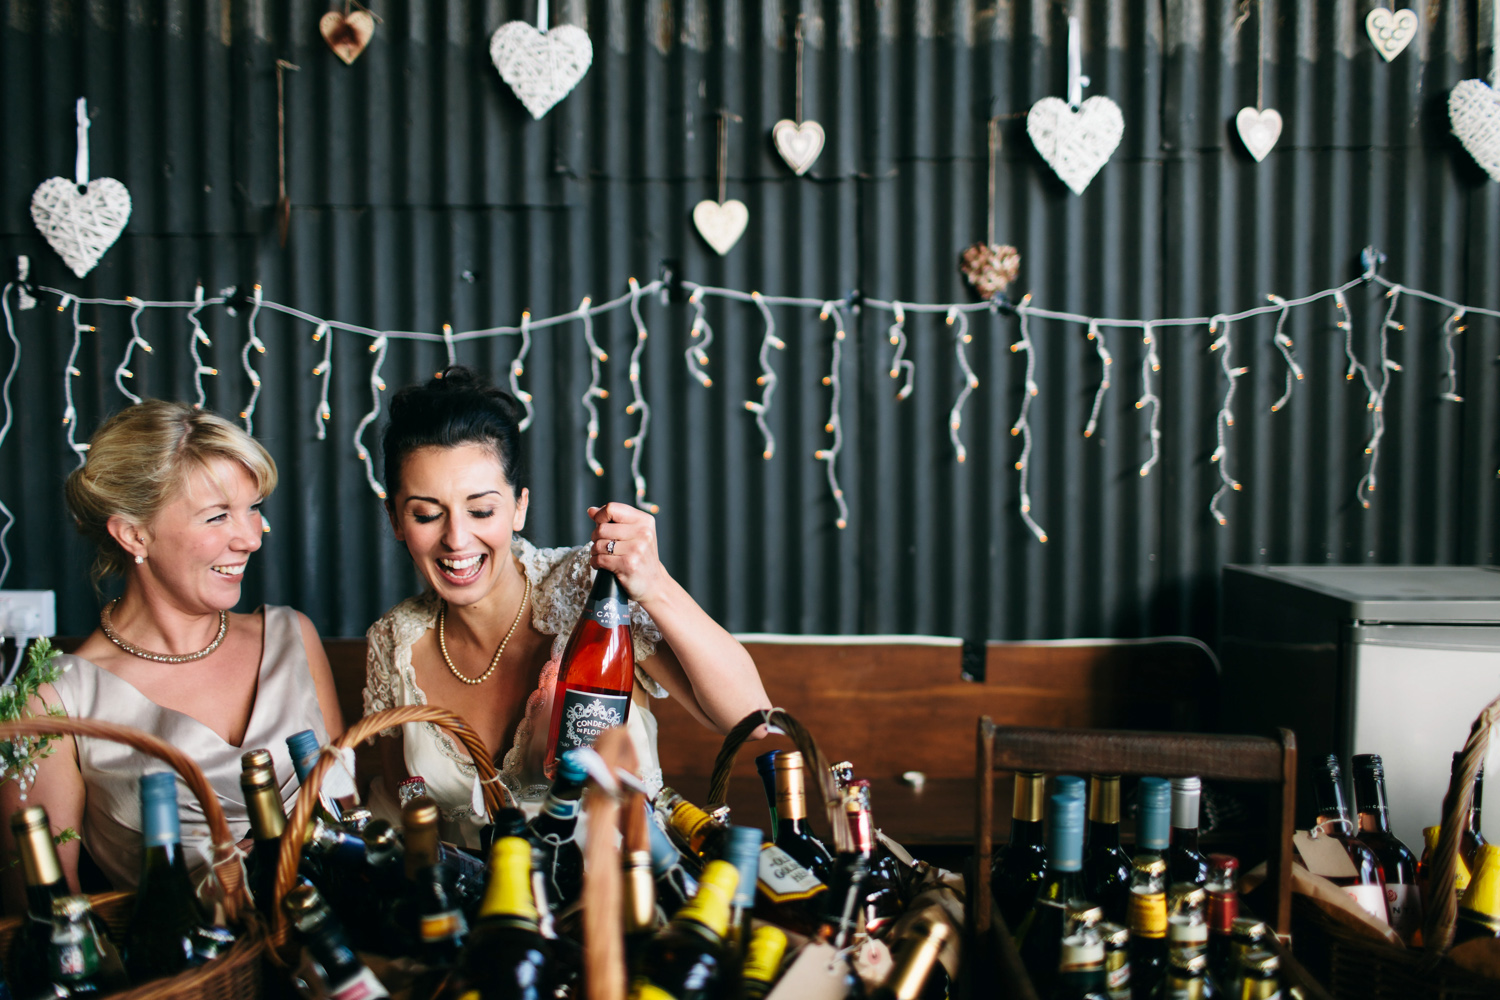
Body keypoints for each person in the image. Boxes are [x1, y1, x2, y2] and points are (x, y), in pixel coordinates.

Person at [364, 367, 770, 844]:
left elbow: (751, 722)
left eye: (481, 510)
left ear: (519, 507)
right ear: (395, 518)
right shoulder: (393, 643)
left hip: (626, 898)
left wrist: (654, 584)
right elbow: (400, 805)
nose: (456, 538)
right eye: (427, 514)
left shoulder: (590, 588)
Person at [0, 401, 344, 905]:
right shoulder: (53, 697)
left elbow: (344, 809)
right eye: (218, 515)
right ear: (134, 534)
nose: (250, 537)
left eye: (253, 509)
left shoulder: (293, 636)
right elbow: (42, 907)